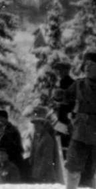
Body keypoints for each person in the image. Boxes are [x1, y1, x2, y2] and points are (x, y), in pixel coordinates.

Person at [60, 52, 96, 189]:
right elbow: (66, 98)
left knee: (91, 170)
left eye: (91, 64)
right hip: (80, 132)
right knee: (73, 164)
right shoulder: (79, 84)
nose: (87, 67)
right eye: (85, 64)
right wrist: (59, 96)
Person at [27, 106, 62, 183]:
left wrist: (39, 173)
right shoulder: (36, 135)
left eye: (37, 124)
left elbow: (47, 158)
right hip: (37, 170)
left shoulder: (48, 133)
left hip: (45, 172)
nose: (35, 126)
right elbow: (33, 150)